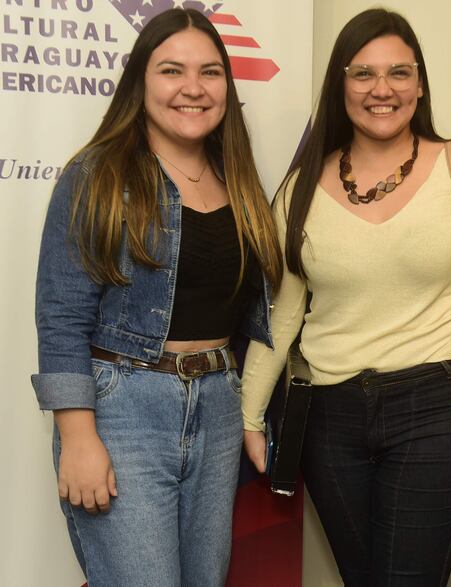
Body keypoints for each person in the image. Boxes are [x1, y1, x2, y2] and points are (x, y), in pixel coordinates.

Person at [241, 8, 451, 586]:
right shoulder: (299, 187)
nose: (382, 89)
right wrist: (248, 414)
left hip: (439, 408)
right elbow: (284, 312)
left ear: (420, 84)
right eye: (363, 73)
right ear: (340, 84)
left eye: (399, 72)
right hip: (329, 420)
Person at [30, 8, 282, 586]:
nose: (193, 88)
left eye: (211, 72)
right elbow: (62, 315)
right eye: (173, 70)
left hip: (218, 404)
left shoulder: (238, 178)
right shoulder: (97, 175)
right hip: (124, 411)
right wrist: (78, 437)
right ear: (141, 82)